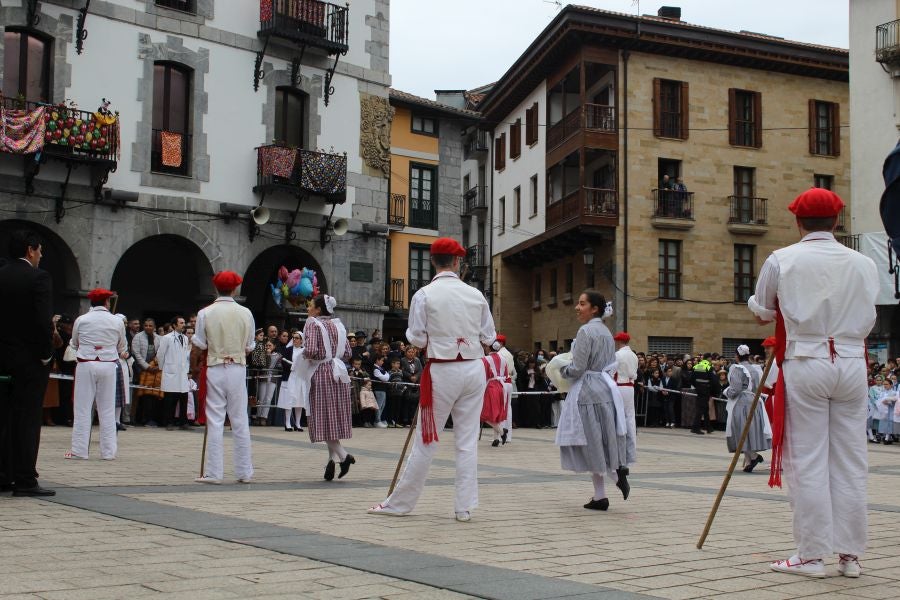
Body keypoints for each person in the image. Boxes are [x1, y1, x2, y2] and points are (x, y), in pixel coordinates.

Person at [748, 187, 879, 578]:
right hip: (853, 362)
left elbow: (762, 311)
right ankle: (850, 555)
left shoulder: (781, 259)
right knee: (851, 459)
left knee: (808, 459)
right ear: (836, 221)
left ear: (797, 220)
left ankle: (810, 555)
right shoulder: (863, 262)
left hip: (807, 359)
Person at [369, 237, 496, 522]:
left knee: (427, 439)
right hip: (474, 367)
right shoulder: (476, 295)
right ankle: (463, 507)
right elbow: (489, 336)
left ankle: (401, 503)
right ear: (457, 262)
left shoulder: (424, 294)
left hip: (442, 368)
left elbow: (416, 337)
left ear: (431, 261)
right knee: (466, 440)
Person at [554, 291, 628, 511]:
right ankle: (600, 496)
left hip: (587, 391)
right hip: (604, 388)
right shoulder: (605, 331)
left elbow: (578, 367)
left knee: (591, 442)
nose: (577, 307)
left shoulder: (586, 330)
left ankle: (615, 477)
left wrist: (561, 370)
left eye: (582, 303)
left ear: (594, 308)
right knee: (600, 441)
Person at [0, 230, 55, 496]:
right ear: (30, 250)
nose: (41, 256)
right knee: (27, 418)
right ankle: (25, 479)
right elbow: (42, 322)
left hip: (1, 358)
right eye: (40, 251)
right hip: (28, 360)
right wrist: (45, 355)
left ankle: (2, 474)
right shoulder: (38, 278)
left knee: (3, 417)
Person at [191, 271, 256, 484]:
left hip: (215, 366)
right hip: (237, 366)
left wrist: (196, 366)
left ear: (215, 288)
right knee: (239, 419)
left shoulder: (205, 313)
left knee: (215, 419)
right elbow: (250, 346)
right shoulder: (245, 312)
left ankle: (214, 472)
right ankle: (244, 472)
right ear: (236, 288)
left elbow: (199, 344)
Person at [297, 294, 354, 481]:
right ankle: (330, 460)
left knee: (322, 418)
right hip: (338, 372)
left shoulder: (312, 323)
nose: (308, 309)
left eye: (310, 305)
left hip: (321, 372)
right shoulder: (338, 324)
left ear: (318, 309)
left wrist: (302, 356)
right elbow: (347, 352)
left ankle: (344, 456)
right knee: (331, 417)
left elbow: (311, 349)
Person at [67, 289, 127, 461]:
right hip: (108, 364)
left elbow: (74, 342)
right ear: (106, 302)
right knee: (107, 410)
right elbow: (122, 346)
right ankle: (108, 452)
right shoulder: (117, 321)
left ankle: (79, 451)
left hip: (86, 363)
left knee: (82, 408)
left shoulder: (82, 319)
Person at [723, 344, 771, 473]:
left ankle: (754, 457)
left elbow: (735, 389)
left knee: (740, 430)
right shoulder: (755, 369)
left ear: (737, 356)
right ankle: (750, 460)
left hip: (742, 402)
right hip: (754, 401)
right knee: (748, 430)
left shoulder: (737, 368)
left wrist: (727, 392)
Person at [157, 315, 191, 431]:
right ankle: (169, 422)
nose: (183, 324)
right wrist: (163, 368)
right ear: (174, 325)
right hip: (170, 371)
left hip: (182, 373)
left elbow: (186, 356)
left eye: (184, 322)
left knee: (184, 398)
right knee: (170, 399)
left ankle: (183, 422)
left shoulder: (186, 338)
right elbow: (160, 354)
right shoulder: (167, 338)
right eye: (181, 323)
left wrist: (187, 370)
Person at [613, 332, 638, 463]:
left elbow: (611, 371)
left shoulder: (618, 355)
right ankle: (631, 453)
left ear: (619, 342)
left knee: (619, 417)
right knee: (630, 419)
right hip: (630, 387)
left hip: (620, 386)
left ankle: (619, 450)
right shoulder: (634, 355)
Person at [280, 331, 307, 432]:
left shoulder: (304, 351)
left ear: (301, 340)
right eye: (294, 338)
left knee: (299, 401)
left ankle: (298, 424)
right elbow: (283, 361)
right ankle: (287, 423)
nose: (294, 339)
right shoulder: (288, 349)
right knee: (289, 400)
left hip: (300, 377)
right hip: (290, 376)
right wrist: (292, 367)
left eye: (297, 338)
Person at [690, 354, 719, 434]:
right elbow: (714, 381)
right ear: (708, 358)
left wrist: (697, 386)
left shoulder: (697, 366)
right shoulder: (709, 367)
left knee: (705, 408)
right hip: (706, 390)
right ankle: (695, 428)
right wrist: (714, 391)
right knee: (701, 408)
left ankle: (708, 427)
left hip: (699, 390)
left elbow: (691, 379)